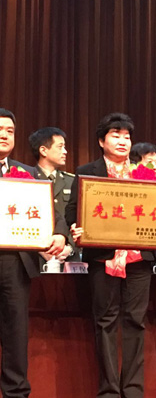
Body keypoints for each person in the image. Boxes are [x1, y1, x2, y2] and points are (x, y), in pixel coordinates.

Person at [66, 113, 156, 397]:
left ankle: (133, 390)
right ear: (101, 141)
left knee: (135, 322)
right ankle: (108, 391)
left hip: (139, 259)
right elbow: (72, 211)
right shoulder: (86, 172)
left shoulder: (143, 173)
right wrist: (76, 228)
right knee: (104, 322)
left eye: (127, 137)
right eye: (115, 136)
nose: (122, 141)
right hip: (102, 257)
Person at [0, 108, 67, 397]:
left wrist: (60, 234)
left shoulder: (27, 173)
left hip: (15, 264)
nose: (4, 135)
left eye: (9, 131)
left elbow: (54, 213)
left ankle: (16, 392)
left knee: (15, 332)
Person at [28, 127, 80, 263]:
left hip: (68, 259)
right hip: (34, 259)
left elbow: (79, 219)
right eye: (60, 147)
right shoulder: (27, 179)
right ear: (43, 150)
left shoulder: (71, 181)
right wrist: (38, 247)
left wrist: (70, 247)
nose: (65, 151)